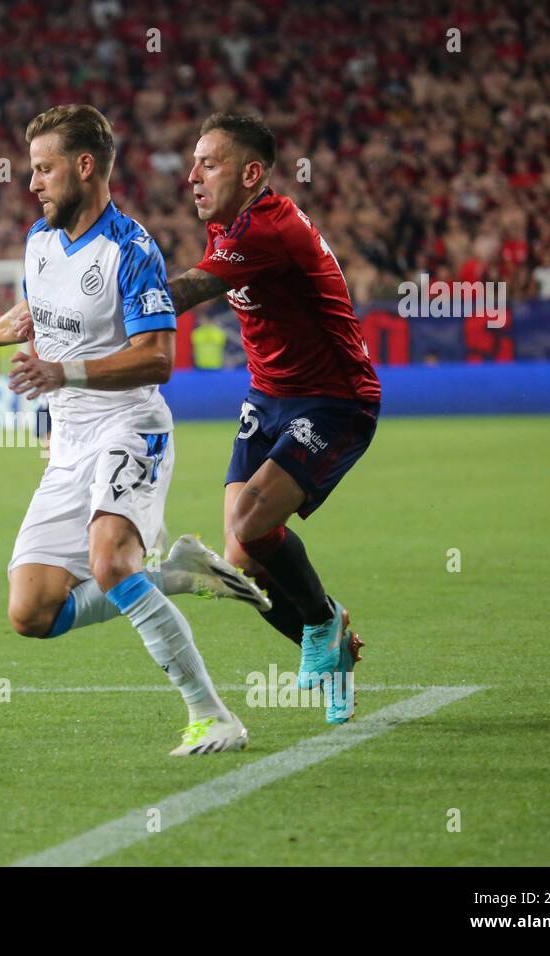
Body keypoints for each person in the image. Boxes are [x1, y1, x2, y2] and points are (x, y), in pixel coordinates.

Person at [0, 105, 269, 757]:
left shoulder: (132, 249)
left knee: (111, 565)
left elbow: (158, 358)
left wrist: (66, 372)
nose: (32, 182)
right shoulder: (39, 240)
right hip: (67, 446)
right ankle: (172, 574)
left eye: (44, 169)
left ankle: (212, 715)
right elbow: (36, 309)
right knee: (31, 613)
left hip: (129, 426)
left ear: (85, 168)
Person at [164, 114, 381, 723]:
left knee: (252, 520)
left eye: (209, 163)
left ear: (252, 173)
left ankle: (322, 620)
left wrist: (90, 296)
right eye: (194, 163)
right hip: (269, 399)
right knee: (242, 564)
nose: (192, 176)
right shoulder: (232, 227)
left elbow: (180, 294)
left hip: (334, 401)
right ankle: (332, 645)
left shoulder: (268, 229)